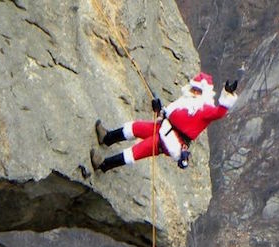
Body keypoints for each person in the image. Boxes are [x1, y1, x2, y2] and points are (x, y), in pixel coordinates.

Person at [91, 72, 238, 172]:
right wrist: (159, 108)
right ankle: (106, 138)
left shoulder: (205, 109)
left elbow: (220, 112)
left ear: (204, 93)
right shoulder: (185, 101)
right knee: (134, 127)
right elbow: (169, 114)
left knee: (136, 151)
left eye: (197, 91)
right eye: (193, 89)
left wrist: (227, 94)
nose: (193, 92)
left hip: (170, 140)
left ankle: (103, 165)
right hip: (164, 127)